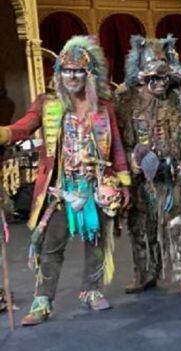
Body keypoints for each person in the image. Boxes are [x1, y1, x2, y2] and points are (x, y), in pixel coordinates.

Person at [0, 36, 130, 326]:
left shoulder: (103, 107)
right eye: (66, 71)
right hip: (61, 188)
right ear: (59, 73)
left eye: (78, 71)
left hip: (96, 185)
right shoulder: (48, 104)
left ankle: (91, 290)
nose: (72, 77)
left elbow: (117, 147)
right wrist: (4, 133)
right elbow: (23, 127)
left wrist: (123, 181)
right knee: (51, 245)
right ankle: (42, 300)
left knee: (96, 241)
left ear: (89, 74)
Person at [116, 35, 181, 296]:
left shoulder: (178, 99)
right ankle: (144, 273)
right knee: (141, 226)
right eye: (155, 78)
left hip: (172, 175)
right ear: (143, 78)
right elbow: (121, 141)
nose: (161, 83)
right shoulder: (128, 103)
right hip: (141, 179)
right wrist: (132, 159)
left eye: (164, 78)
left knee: (178, 223)